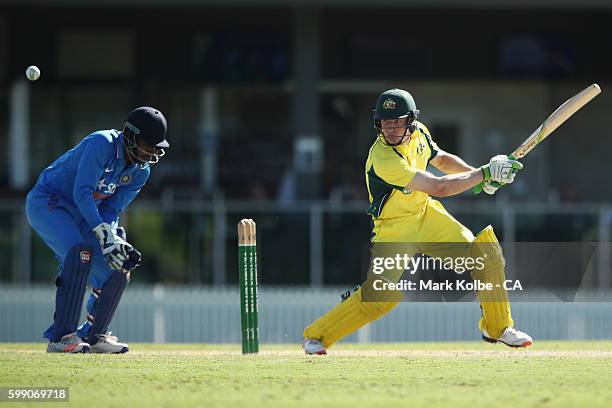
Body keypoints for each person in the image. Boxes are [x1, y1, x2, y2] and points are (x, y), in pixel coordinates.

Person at [303, 89, 532, 355]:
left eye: (397, 121)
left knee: (485, 255)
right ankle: (316, 336)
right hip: (394, 228)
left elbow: (443, 160)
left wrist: (480, 176)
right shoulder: (383, 158)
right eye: (385, 122)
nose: (390, 129)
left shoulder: (420, 133)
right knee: (379, 297)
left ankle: (498, 328)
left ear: (410, 121)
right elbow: (438, 187)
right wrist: (484, 174)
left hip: (425, 214)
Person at [25, 107, 169, 353]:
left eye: (155, 147)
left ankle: (94, 335)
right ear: (130, 136)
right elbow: (81, 192)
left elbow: (111, 210)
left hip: (86, 214)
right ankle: (61, 337)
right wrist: (102, 232)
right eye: (147, 144)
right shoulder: (102, 143)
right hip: (50, 202)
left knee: (119, 265)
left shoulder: (140, 172)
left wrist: (111, 237)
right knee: (78, 253)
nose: (150, 152)